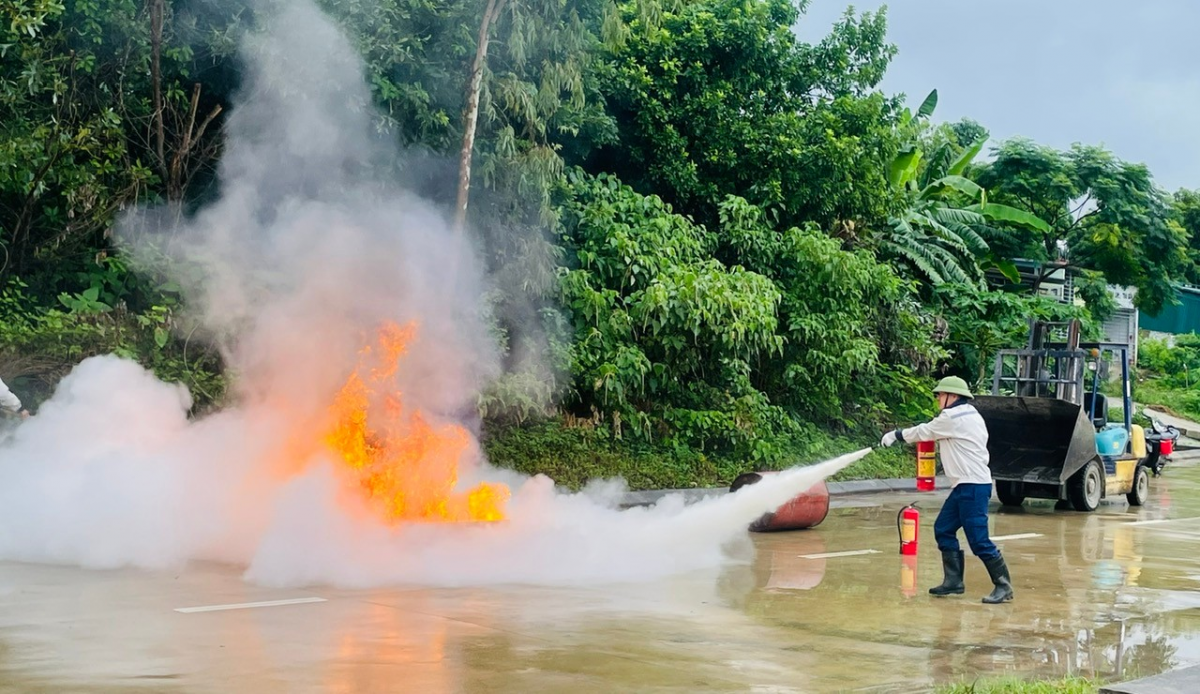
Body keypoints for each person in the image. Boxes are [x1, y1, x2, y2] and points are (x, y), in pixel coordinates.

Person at [880, 376, 1013, 604]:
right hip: (964, 485)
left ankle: (1003, 586)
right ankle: (954, 582)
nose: (938, 399)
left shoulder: (953, 417)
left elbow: (924, 432)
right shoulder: (971, 413)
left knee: (978, 540)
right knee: (944, 528)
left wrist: (896, 435)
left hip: (972, 486)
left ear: (953, 396)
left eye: (941, 395)